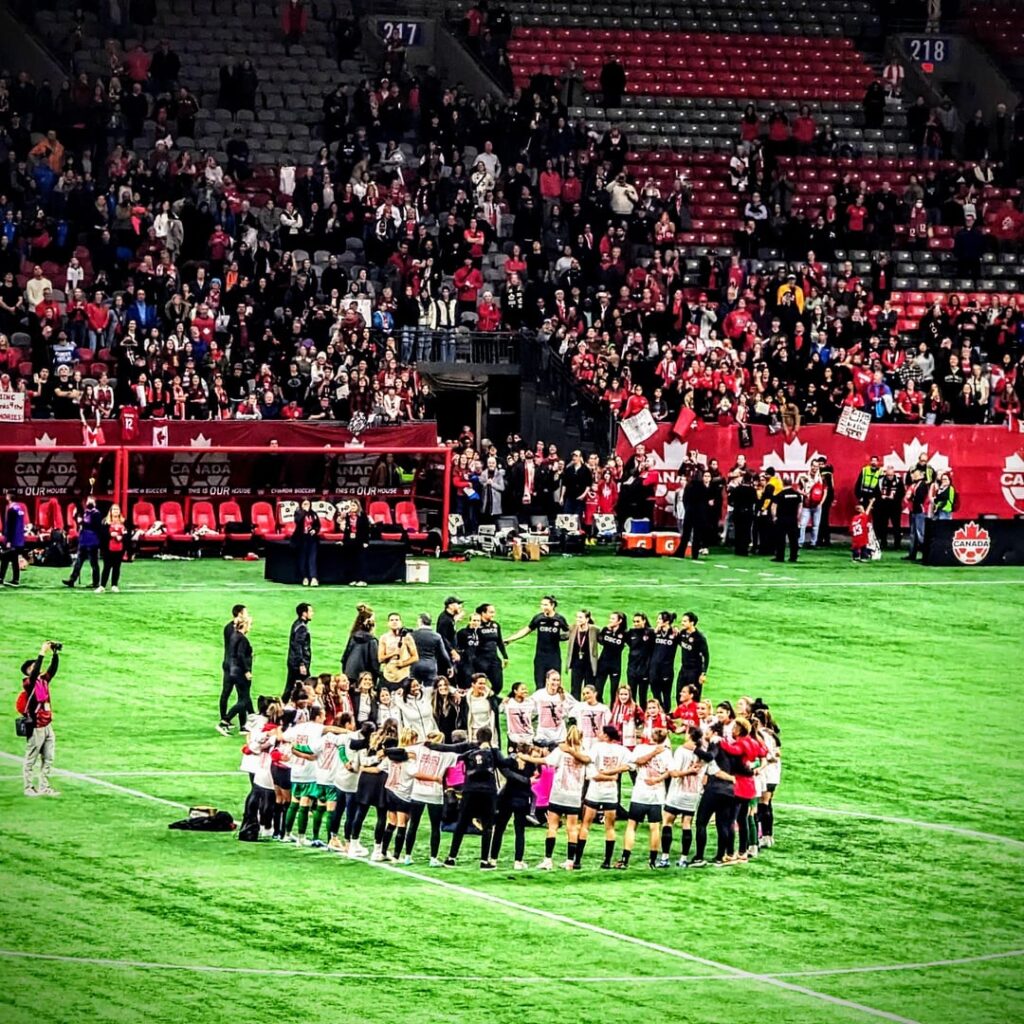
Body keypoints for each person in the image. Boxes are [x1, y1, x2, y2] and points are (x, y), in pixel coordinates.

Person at [535, 722, 591, 870]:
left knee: (552, 826)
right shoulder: (585, 752)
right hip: (574, 795)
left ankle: (548, 860)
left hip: (558, 794)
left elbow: (546, 761)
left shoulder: (561, 751)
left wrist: (526, 757)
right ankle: (570, 860)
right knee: (572, 828)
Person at [614, 728, 672, 869]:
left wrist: (653, 756)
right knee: (654, 828)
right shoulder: (667, 753)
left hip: (641, 794)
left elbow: (637, 762)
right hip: (657, 796)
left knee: (632, 826)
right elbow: (670, 772)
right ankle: (652, 861)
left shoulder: (640, 748)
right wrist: (659, 779)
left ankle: (625, 859)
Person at [576, 724, 631, 869]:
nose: (598, 733)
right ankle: (607, 861)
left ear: (606, 735)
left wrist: (603, 774)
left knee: (585, 824)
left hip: (595, 790)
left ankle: (577, 860)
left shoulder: (597, 747)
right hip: (611, 792)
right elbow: (630, 766)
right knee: (610, 827)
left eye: (601, 732)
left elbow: (589, 765)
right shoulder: (622, 750)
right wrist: (613, 774)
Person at [658, 726, 704, 867]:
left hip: (678, 791)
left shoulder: (681, 751)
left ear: (689, 735)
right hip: (693, 793)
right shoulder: (703, 753)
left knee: (667, 822)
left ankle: (665, 858)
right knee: (687, 824)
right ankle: (683, 859)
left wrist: (686, 772)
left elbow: (674, 773)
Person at [20, 641, 60, 797]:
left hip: (47, 724)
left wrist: (55, 654)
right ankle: (28, 787)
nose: (37, 666)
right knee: (31, 758)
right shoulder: (28, 683)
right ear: (28, 671)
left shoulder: (43, 680)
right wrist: (42, 652)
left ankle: (44, 787)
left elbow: (53, 670)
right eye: (34, 666)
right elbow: (36, 672)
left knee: (49, 757)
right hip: (36, 725)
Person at [506, 594, 569, 687]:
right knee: (539, 683)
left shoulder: (559, 619)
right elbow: (527, 630)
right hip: (540, 657)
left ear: (552, 605)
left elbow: (569, 632)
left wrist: (561, 638)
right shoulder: (538, 618)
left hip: (554, 657)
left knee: (554, 683)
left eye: (546, 605)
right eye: (542, 604)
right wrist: (510, 639)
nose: (543, 607)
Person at [217, 604, 247, 736]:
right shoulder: (231, 629)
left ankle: (241, 725)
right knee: (236, 694)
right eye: (245, 613)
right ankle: (225, 720)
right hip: (233, 667)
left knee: (238, 695)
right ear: (239, 614)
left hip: (230, 665)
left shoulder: (232, 628)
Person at [224, 614, 254, 735]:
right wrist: (247, 670)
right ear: (245, 624)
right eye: (250, 624)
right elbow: (240, 655)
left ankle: (243, 726)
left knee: (244, 698)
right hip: (240, 673)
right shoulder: (242, 638)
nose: (250, 627)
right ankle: (225, 720)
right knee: (244, 700)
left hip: (233, 671)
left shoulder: (234, 636)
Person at [63, 498, 103, 589]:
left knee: (94, 563)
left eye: (91, 501)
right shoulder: (85, 512)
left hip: (92, 540)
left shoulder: (96, 513)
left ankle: (96, 582)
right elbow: (79, 523)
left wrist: (83, 522)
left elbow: (94, 526)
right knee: (78, 561)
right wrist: (75, 516)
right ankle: (72, 579)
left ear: (94, 503)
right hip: (83, 540)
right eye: (88, 501)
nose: (88, 502)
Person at [378, 612, 418, 693]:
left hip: (403, 677)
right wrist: (393, 653)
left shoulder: (407, 637)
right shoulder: (384, 638)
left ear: (400, 622)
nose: (394, 622)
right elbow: (380, 659)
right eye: (392, 620)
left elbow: (415, 657)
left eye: (397, 620)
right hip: (388, 676)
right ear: (388, 623)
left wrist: (403, 663)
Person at [647, 611, 679, 710]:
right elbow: (647, 640)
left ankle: (666, 713)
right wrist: (655, 631)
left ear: (667, 621)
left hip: (666, 669)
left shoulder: (674, 633)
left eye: (660, 619)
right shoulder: (655, 633)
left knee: (666, 693)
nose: (657, 621)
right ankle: (660, 711)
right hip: (654, 668)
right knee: (655, 692)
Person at [474, 603, 508, 694]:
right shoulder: (476, 626)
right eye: (491, 612)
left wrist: (505, 656)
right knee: (480, 684)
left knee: (498, 685)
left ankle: (491, 698)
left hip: (494, 659)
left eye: (494, 612)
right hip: (481, 660)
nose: (493, 614)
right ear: (483, 613)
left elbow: (499, 641)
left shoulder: (495, 625)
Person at [566, 609, 599, 700]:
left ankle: (588, 708)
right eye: (577, 617)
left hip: (589, 665)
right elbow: (564, 636)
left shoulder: (594, 630)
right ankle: (574, 710)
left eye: (580, 617)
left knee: (589, 688)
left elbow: (603, 639)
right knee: (575, 688)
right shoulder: (573, 628)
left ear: (587, 619)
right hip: (576, 664)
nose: (578, 619)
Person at [594, 611, 627, 703]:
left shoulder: (624, 634)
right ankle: (601, 708)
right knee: (598, 689)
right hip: (603, 663)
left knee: (614, 691)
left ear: (619, 621)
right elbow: (599, 640)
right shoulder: (605, 630)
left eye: (613, 619)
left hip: (615, 665)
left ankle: (614, 711)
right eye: (610, 618)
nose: (610, 620)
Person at [676, 611, 709, 701]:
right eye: (682, 621)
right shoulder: (682, 633)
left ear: (692, 623)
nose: (682, 623)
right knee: (679, 694)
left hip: (695, 671)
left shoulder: (699, 638)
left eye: (685, 621)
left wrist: (703, 673)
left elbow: (706, 656)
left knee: (694, 696)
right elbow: (679, 642)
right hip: (684, 669)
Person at [285, 602, 314, 702]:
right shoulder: (302, 627)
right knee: (306, 687)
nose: (312, 613)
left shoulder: (297, 624)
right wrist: (301, 664)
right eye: (310, 611)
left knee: (290, 687)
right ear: (304, 613)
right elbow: (298, 646)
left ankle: (281, 707)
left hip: (293, 662)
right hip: (298, 664)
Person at [624, 613, 653, 706]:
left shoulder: (650, 633)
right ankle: (632, 715)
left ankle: (643, 716)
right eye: (634, 621)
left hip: (645, 669)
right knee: (631, 694)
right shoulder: (631, 633)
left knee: (642, 695)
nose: (635, 623)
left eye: (638, 621)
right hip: (632, 668)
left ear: (644, 621)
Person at [340, 499, 370, 586]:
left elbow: (366, 530)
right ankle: (353, 579)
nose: (352, 507)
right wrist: (344, 541)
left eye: (354, 505)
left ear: (358, 506)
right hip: (350, 541)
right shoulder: (348, 516)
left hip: (360, 541)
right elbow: (346, 530)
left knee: (361, 561)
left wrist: (366, 541)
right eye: (351, 505)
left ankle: (363, 580)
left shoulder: (363, 516)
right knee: (351, 561)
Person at [1, 489, 27, 588]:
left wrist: (8, 541)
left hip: (13, 540)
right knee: (14, 559)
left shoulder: (12, 509)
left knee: (5, 558)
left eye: (7, 495)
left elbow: (10, 526)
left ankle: (1, 578)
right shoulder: (20, 508)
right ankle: (15, 579)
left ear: (9, 496)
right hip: (19, 540)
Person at [98, 504, 126, 593]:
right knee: (107, 567)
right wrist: (110, 535)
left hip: (119, 548)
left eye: (117, 509)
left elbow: (127, 534)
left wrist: (122, 537)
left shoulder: (123, 521)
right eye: (114, 509)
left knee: (116, 567)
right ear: (110, 511)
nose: (115, 511)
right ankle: (102, 586)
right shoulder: (105, 522)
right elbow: (101, 534)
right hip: (108, 548)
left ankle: (114, 585)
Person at [771, 480, 802, 563]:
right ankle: (793, 557)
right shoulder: (797, 494)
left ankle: (780, 557)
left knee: (780, 539)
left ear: (783, 483)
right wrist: (798, 518)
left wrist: (774, 517)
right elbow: (800, 507)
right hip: (792, 519)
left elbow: (774, 506)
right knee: (793, 539)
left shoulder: (780, 494)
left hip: (782, 519)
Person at [293, 498, 320, 586]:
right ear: (301, 505)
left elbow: (318, 525)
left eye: (308, 504)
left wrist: (315, 530)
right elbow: (298, 521)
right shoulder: (298, 513)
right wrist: (304, 511)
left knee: (312, 558)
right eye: (304, 504)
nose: (306, 506)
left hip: (312, 539)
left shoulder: (314, 514)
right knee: (303, 558)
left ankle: (314, 578)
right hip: (302, 539)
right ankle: (305, 577)